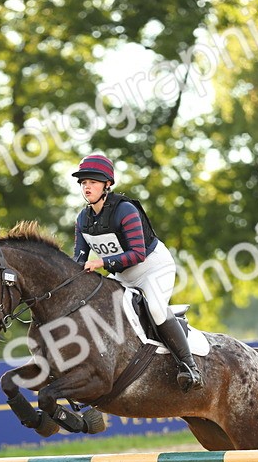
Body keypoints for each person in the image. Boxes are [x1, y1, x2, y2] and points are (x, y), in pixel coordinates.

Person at [70, 153, 203, 391]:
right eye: (83, 182)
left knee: (155, 308)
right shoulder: (82, 219)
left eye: (92, 182)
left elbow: (137, 254)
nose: (86, 187)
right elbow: (78, 259)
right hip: (122, 274)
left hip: (153, 267)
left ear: (107, 185)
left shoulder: (125, 210)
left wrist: (100, 263)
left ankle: (190, 366)